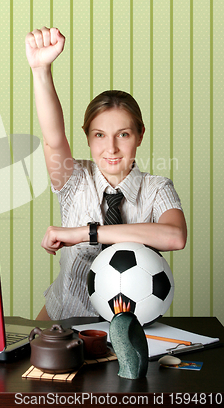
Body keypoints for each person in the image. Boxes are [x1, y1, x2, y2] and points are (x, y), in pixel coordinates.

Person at [25, 26, 187, 321]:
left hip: (133, 331)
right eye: (100, 135)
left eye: (123, 134)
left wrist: (85, 233)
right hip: (65, 320)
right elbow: (53, 138)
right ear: (87, 138)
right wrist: (40, 70)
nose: (111, 147)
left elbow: (175, 237)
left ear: (140, 135)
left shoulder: (157, 188)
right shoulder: (73, 178)